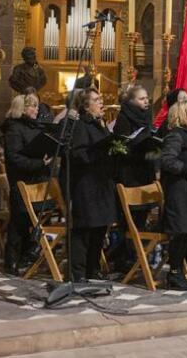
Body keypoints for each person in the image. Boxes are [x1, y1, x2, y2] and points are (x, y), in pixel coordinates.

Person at [67, 88, 117, 282]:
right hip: (87, 185)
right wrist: (99, 151)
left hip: (102, 184)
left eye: (101, 98)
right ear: (86, 106)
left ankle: (92, 268)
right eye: (97, 100)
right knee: (84, 230)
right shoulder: (81, 126)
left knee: (99, 229)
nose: (101, 103)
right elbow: (78, 154)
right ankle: (77, 272)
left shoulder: (100, 125)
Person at [2, 93, 51, 275]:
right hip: (21, 181)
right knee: (19, 221)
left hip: (37, 181)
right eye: (32, 106)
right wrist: (39, 163)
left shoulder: (36, 127)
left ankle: (26, 256)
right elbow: (14, 158)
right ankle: (12, 261)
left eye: (37, 106)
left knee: (31, 221)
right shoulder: (14, 129)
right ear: (21, 108)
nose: (36, 109)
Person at [112, 85, 158, 272]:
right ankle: (122, 258)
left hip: (144, 172)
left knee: (141, 217)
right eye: (141, 98)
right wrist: (139, 148)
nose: (146, 101)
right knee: (127, 219)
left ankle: (137, 255)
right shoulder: (123, 119)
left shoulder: (146, 118)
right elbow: (120, 148)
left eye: (147, 98)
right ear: (131, 101)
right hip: (128, 173)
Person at [160, 100, 187, 290]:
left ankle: (177, 271)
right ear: (183, 114)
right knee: (180, 231)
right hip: (178, 189)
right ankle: (174, 273)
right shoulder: (175, 136)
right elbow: (167, 161)